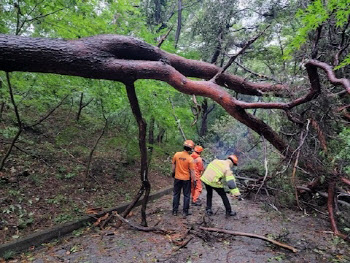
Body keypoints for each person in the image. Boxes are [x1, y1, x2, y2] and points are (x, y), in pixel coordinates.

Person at [172, 140, 196, 216]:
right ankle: (185, 212)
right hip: (186, 179)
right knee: (186, 195)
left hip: (177, 178)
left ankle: (174, 211)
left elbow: (173, 165)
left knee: (176, 194)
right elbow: (192, 171)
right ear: (191, 149)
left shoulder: (177, 154)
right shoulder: (190, 159)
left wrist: (173, 173)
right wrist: (194, 180)